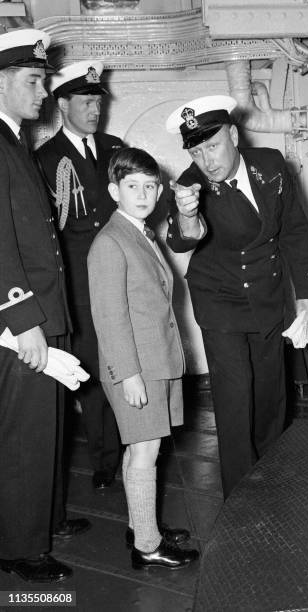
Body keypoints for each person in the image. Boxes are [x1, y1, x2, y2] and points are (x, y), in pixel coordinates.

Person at [165, 95, 308, 498]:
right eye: (196, 151)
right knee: (236, 401)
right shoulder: (189, 186)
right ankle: (240, 497)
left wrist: (307, 294)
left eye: (212, 145)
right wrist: (186, 215)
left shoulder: (270, 166)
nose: (207, 160)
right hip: (221, 303)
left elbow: (295, 229)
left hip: (268, 296)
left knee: (271, 395)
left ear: (233, 135)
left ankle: (273, 477)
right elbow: (182, 240)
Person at [88, 147, 198, 569]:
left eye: (150, 186)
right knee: (144, 452)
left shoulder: (140, 232)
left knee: (147, 450)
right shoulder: (110, 242)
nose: (143, 194)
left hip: (156, 361)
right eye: (132, 186)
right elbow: (109, 318)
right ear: (115, 190)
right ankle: (148, 547)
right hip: (138, 367)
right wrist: (128, 375)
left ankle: (143, 526)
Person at [0, 28, 73, 583]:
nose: (43, 91)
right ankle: (20, 546)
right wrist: (21, 318)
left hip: (42, 313)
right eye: (33, 80)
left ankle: (40, 521)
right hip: (23, 318)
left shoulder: (13, 142)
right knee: (23, 434)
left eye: (44, 80)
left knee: (43, 427)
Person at [36, 60, 122, 493]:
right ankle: (106, 459)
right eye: (86, 101)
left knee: (129, 363)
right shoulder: (45, 159)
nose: (94, 109)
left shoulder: (115, 149)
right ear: (62, 104)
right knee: (91, 372)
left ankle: (135, 448)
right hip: (81, 286)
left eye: (97, 101)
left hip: (122, 278)